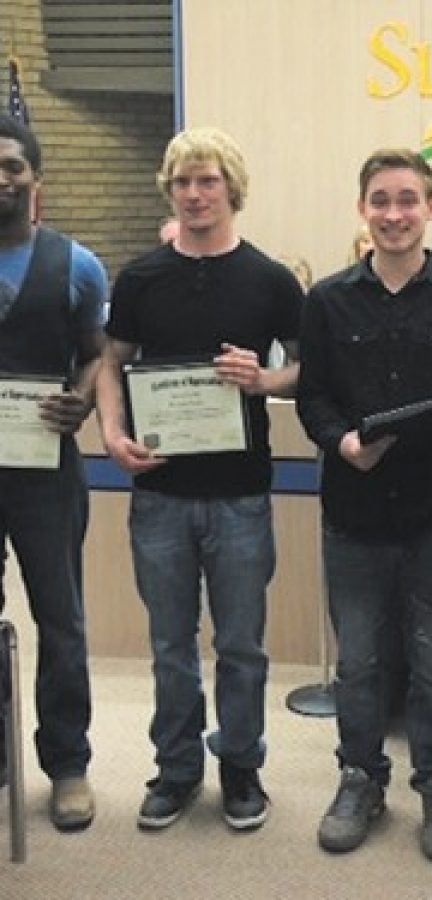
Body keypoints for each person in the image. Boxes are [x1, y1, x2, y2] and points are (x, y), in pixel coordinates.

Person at [96, 126, 303, 832]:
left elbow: (306, 369)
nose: (194, 194)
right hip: (159, 498)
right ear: (171, 191)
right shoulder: (141, 277)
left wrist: (263, 377)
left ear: (231, 190)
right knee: (170, 646)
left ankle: (241, 768)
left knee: (242, 646)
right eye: (183, 182)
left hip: (242, 495)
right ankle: (177, 770)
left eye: (207, 181)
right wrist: (113, 435)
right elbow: (111, 364)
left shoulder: (270, 279)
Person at [297, 149, 432, 862]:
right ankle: (360, 778)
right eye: (380, 200)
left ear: (431, 207)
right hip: (351, 514)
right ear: (362, 209)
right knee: (357, 664)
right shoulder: (327, 299)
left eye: (407, 199)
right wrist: (341, 441)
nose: (394, 214)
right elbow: (312, 395)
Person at [0, 114, 108, 829]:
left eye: (12, 164)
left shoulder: (76, 263)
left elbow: (98, 351)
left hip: (45, 464)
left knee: (61, 620)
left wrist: (83, 395)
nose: (0, 177)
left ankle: (67, 764)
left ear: (36, 178)